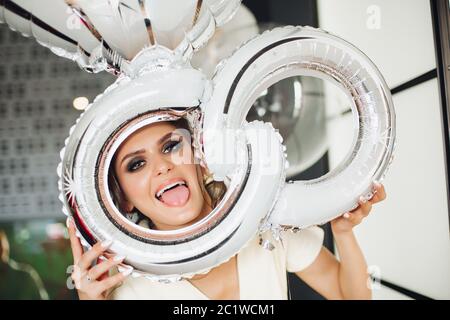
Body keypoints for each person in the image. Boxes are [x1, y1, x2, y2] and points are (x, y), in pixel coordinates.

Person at [67, 116, 387, 300]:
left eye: (171, 145)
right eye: (136, 164)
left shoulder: (263, 225)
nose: (162, 167)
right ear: (121, 198)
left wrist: (343, 233)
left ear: (200, 155)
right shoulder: (130, 290)